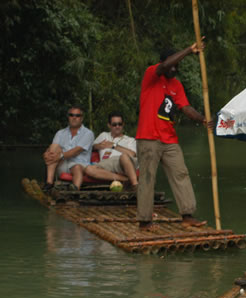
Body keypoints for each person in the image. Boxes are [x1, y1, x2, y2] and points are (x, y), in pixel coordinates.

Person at [135, 40, 215, 231]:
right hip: (148, 137)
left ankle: (187, 215)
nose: (174, 68)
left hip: (169, 139)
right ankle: (145, 221)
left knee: (181, 173)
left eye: (177, 66)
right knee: (147, 178)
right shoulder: (151, 75)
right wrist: (189, 49)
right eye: (173, 64)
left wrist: (203, 119)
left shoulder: (176, 85)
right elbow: (164, 66)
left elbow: (185, 108)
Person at [42, 106, 94, 191]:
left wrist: (59, 156)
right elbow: (52, 148)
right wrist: (46, 154)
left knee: (76, 166)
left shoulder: (88, 133)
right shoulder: (60, 133)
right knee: (54, 147)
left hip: (79, 165)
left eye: (77, 115)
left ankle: (75, 188)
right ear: (68, 117)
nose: (74, 117)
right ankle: (49, 182)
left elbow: (76, 151)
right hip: (61, 164)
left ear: (81, 118)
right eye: (71, 115)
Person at [84, 112, 138, 187]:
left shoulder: (130, 140)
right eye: (114, 124)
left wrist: (114, 146)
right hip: (106, 164)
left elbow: (132, 154)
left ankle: (135, 186)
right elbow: (91, 147)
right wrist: (98, 146)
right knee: (89, 169)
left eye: (120, 124)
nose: (117, 126)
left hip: (122, 163)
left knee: (124, 156)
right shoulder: (103, 135)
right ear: (109, 125)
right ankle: (125, 180)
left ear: (123, 125)